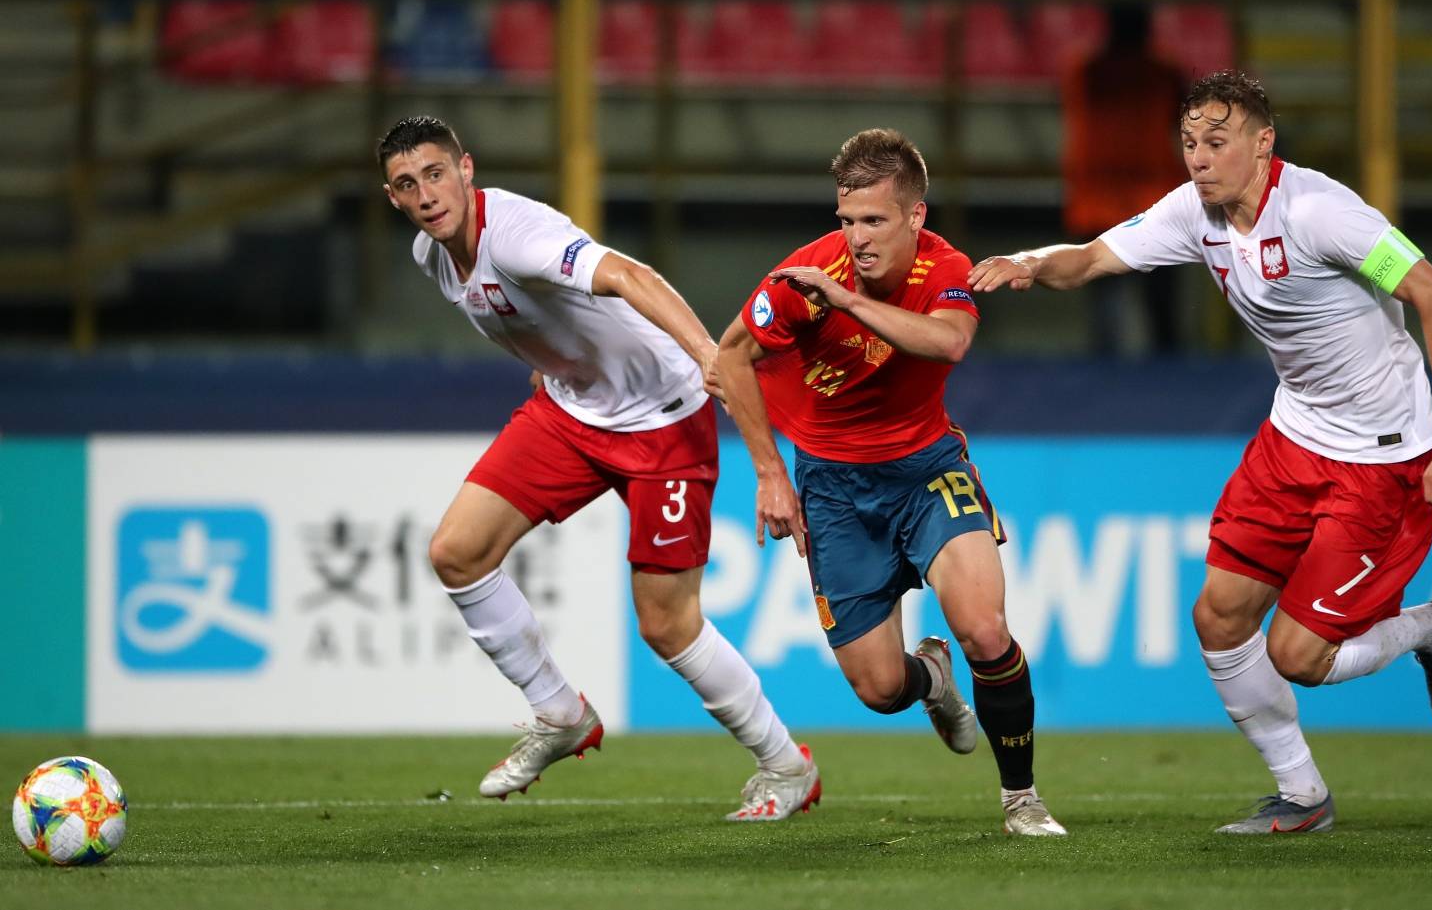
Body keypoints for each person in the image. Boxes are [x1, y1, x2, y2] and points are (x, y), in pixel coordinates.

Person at [969, 70, 1432, 834]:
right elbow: (1095, 257)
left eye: (1216, 141)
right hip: (1293, 439)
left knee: (1302, 655)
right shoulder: (1192, 213)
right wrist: (1032, 264)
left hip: (1384, 456)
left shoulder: (1322, 213)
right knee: (1218, 615)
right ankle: (1303, 795)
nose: (1198, 159)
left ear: (1263, 143)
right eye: (1188, 143)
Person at [377, 115, 819, 822]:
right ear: (393, 198)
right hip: (572, 413)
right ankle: (559, 712)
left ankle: (786, 764)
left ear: (467, 168)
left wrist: (710, 356)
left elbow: (628, 276)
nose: (426, 193)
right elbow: (531, 319)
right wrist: (554, 368)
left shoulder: (518, 235)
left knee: (667, 624)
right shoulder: (431, 256)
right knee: (456, 552)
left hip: (664, 418)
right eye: (407, 184)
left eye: (435, 173)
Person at [717, 128, 1065, 836]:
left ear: (915, 216)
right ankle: (932, 680)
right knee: (879, 688)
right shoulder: (803, 277)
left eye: (873, 220)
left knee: (984, 628)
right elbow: (729, 357)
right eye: (846, 221)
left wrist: (844, 303)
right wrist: (769, 474)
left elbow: (950, 340)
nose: (856, 238)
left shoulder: (945, 267)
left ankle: (1021, 797)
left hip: (926, 470)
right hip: (834, 489)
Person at [1059, 3, 1188, 356]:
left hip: (1101, 200)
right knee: (1160, 309)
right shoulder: (1164, 71)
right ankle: (1171, 381)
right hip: (1152, 201)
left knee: (1106, 307)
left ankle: (1105, 382)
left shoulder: (1084, 69)